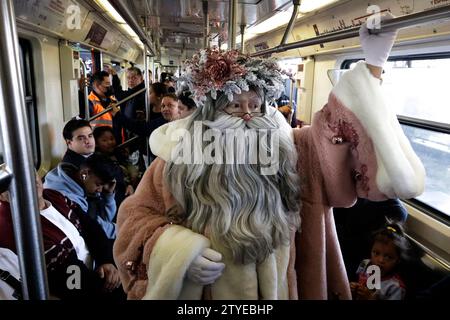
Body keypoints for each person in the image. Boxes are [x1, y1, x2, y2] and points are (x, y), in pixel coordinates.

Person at [113, 17, 425, 300]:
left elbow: (338, 129)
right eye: (235, 107)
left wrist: (372, 65)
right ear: (211, 113)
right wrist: (178, 253)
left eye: (256, 105)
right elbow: (135, 219)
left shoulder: (293, 150)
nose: (248, 115)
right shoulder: (176, 160)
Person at [0, 173, 123, 299]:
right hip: (81, 286)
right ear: (2, 195)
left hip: (97, 265)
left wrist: (106, 260)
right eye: (16, 181)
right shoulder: (17, 228)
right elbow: (72, 279)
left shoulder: (52, 195)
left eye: (29, 169)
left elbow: (90, 226)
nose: (29, 179)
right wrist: (111, 281)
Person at [44, 154, 117, 239]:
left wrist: (109, 194)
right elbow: (96, 228)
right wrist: (124, 230)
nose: (100, 190)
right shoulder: (69, 199)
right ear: (84, 174)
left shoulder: (74, 180)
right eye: (98, 185)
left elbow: (105, 219)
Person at [350, 221, 409, 300]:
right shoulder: (365, 264)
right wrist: (353, 287)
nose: (380, 260)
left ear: (398, 260)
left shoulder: (395, 287)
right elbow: (356, 279)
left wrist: (371, 298)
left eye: (388, 257)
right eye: (376, 253)